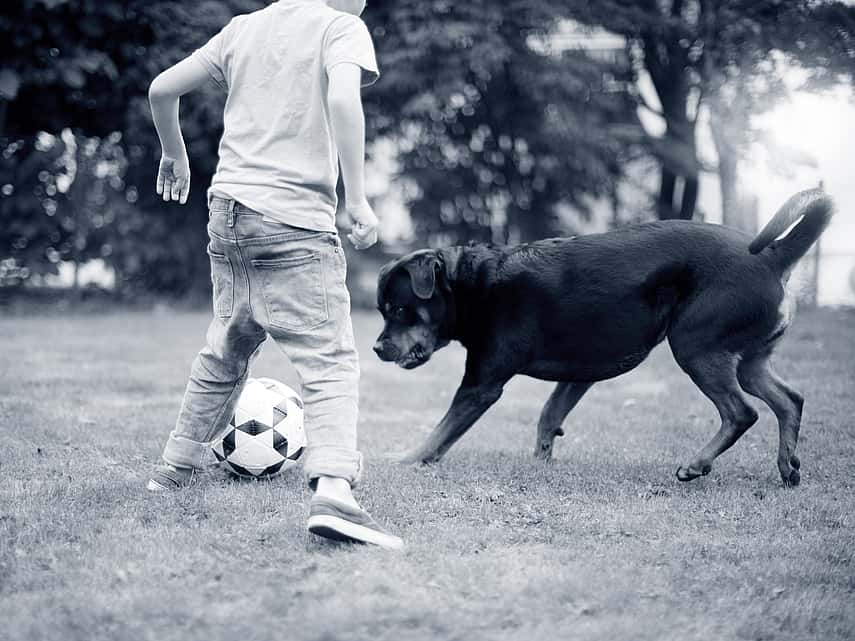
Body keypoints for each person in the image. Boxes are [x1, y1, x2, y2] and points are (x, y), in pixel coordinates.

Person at [145, 0, 402, 550]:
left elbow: (162, 88)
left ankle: (174, 467)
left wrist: (175, 153)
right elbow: (341, 97)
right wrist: (356, 198)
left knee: (225, 349)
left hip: (228, 216)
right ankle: (335, 493)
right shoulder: (341, 27)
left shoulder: (243, 30)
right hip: (294, 223)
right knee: (329, 360)